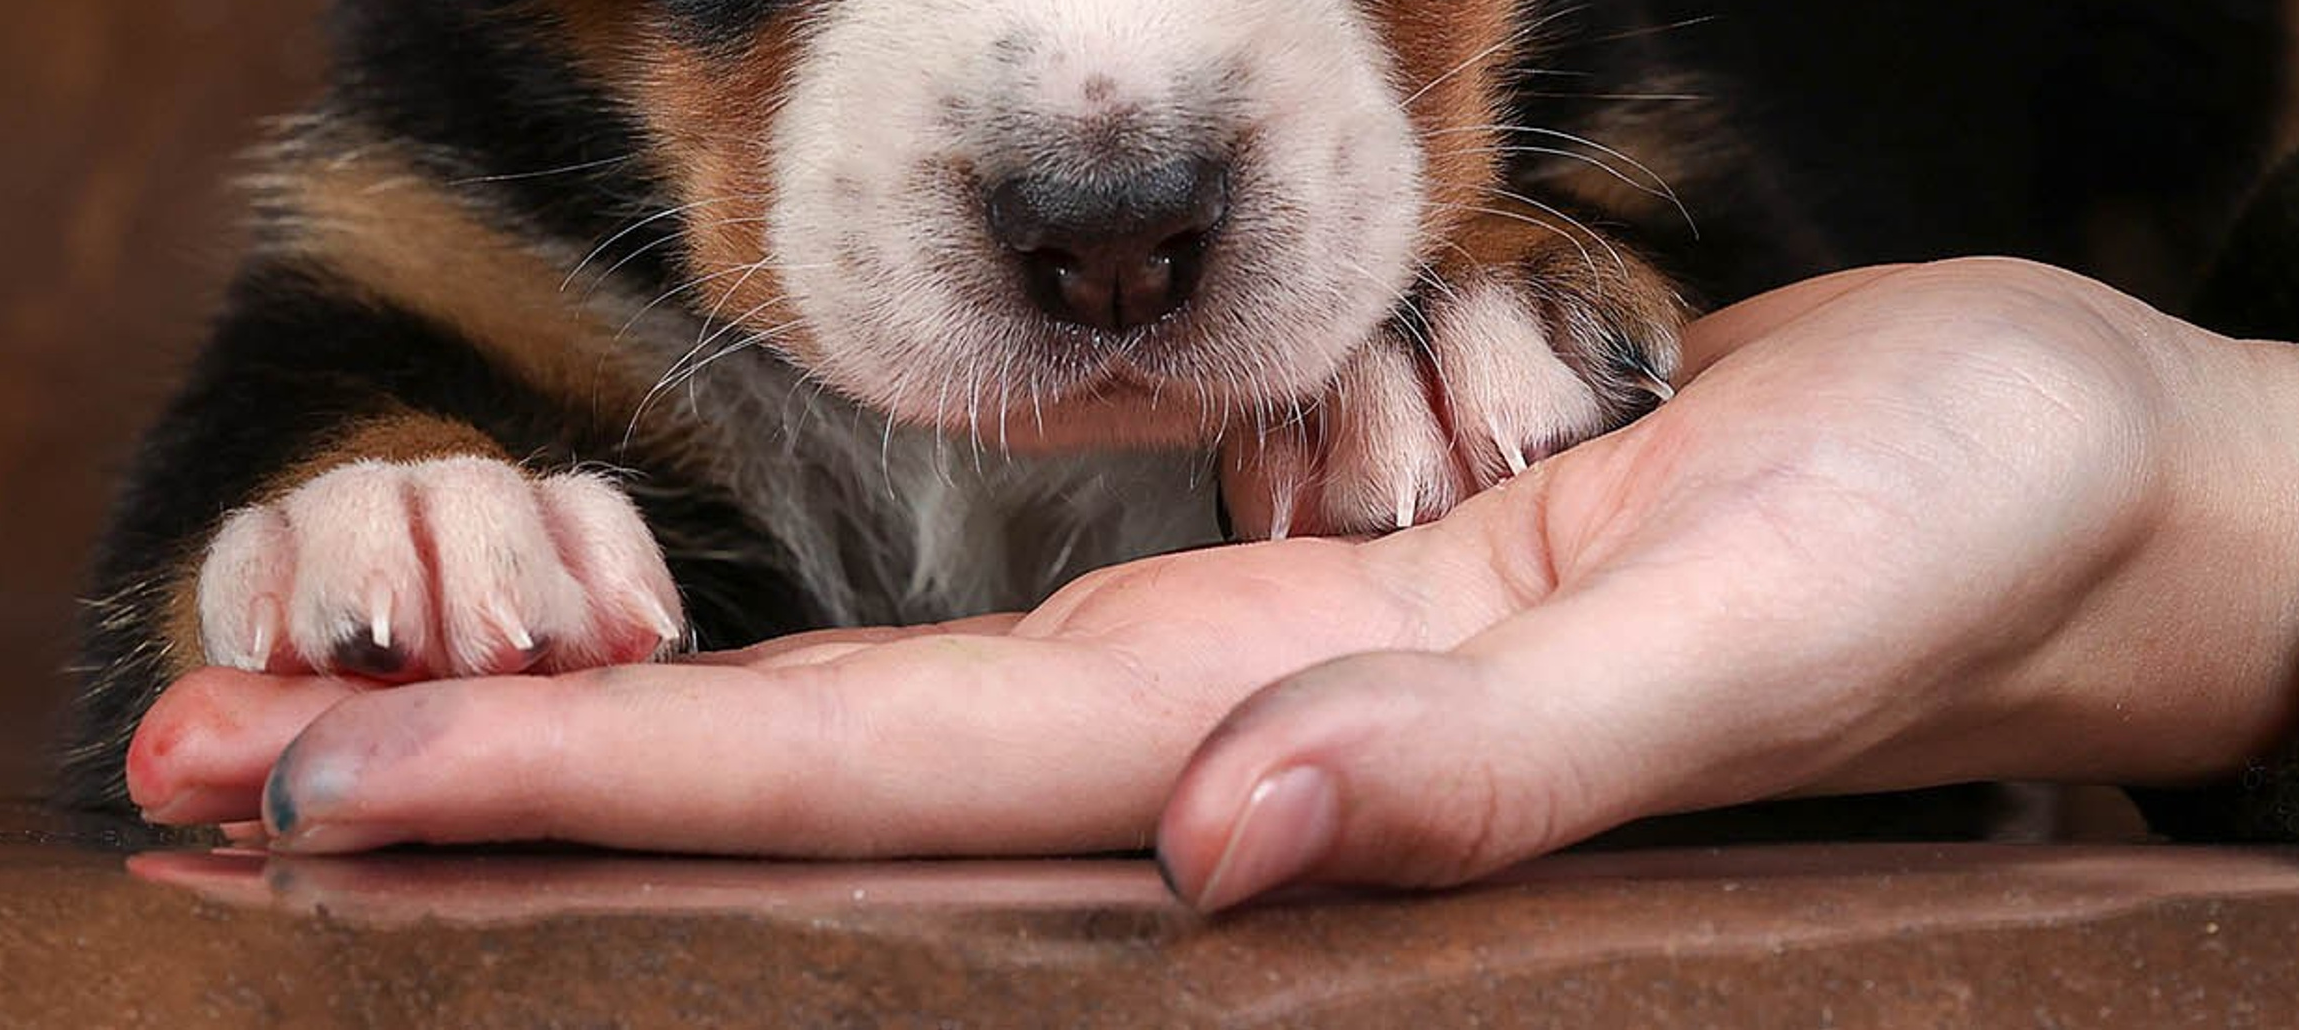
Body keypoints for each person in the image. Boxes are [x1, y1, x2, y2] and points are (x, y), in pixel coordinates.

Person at [125, 235, 2299, 909]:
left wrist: (2184, 477)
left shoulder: (1544, 148)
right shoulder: (506, 180)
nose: (1106, 114)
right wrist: (380, 473)